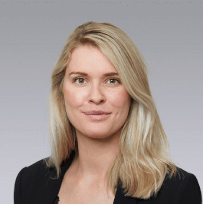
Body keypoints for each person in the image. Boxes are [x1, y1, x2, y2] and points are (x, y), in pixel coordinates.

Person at [14, 21, 202, 204]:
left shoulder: (176, 191)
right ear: (61, 92)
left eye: (112, 81)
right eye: (80, 80)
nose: (96, 97)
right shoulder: (29, 182)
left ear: (132, 92)